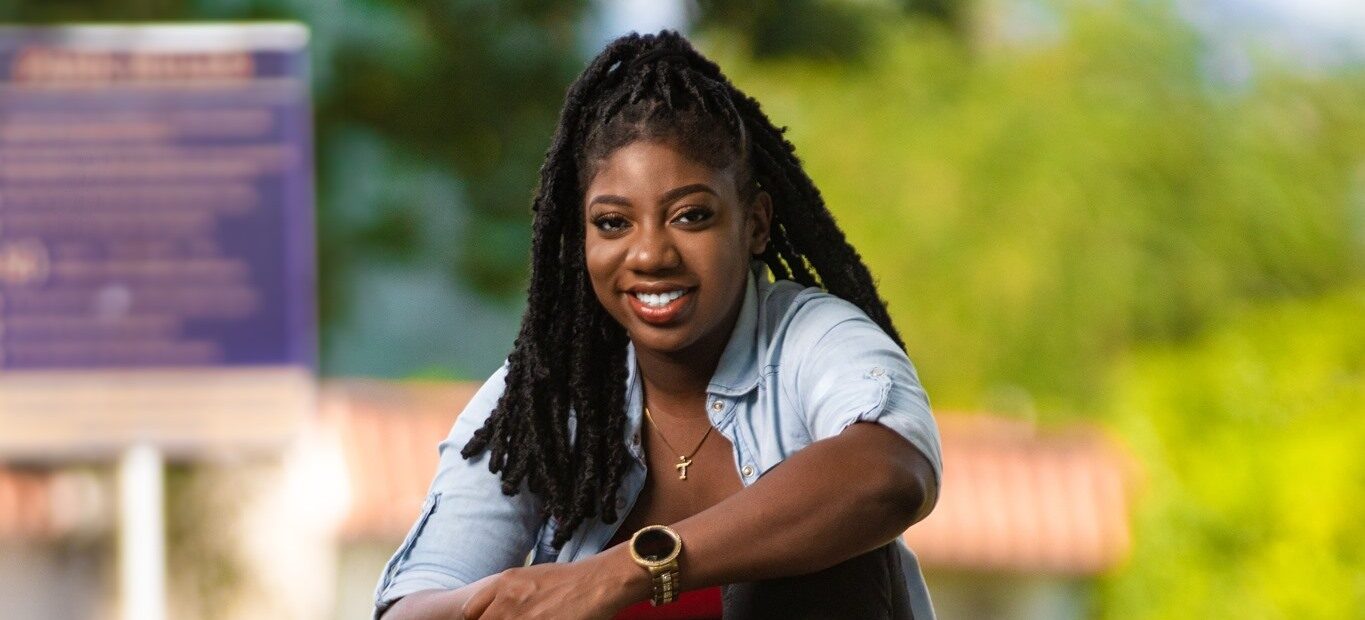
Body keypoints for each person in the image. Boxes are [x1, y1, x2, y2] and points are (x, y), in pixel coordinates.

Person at [374, 30, 942, 620]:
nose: (650, 255)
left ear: (754, 223)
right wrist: (521, 598)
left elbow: (890, 474)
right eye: (613, 223)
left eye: (690, 216)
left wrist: (620, 573)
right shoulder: (540, 402)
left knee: (833, 555)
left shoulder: (813, 339)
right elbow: (411, 606)